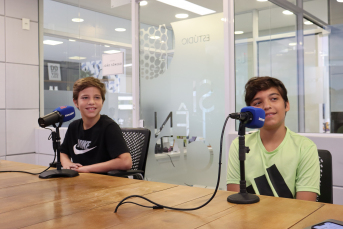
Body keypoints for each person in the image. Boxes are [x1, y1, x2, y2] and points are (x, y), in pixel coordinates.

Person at [227, 76, 320, 201]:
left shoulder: (305, 148)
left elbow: (304, 207)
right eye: (258, 103)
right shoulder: (239, 145)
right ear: (251, 112)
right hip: (248, 218)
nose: (267, 106)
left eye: (274, 99)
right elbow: (235, 200)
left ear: (286, 105)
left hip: (291, 218)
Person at [60, 77, 132, 173]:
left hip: (108, 183)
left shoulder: (109, 127)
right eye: (85, 97)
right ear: (76, 102)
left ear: (102, 101)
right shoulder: (73, 126)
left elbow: (126, 162)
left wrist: (86, 169)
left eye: (97, 97)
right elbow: (63, 152)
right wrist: (67, 163)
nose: (91, 102)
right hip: (83, 183)